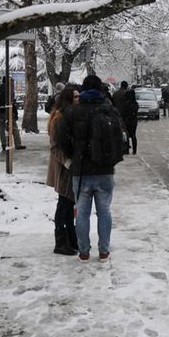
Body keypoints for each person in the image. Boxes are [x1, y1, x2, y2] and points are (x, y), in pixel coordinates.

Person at [57, 74, 124, 262]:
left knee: (82, 213)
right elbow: (121, 137)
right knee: (105, 211)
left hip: (81, 171)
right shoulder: (109, 110)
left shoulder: (72, 112)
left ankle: (84, 252)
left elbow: (61, 137)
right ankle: (104, 251)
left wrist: (74, 154)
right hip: (105, 170)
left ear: (83, 90)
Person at [46, 84, 79, 256]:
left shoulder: (68, 116)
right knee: (64, 204)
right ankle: (61, 241)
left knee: (69, 203)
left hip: (67, 167)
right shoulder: (59, 118)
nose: (78, 99)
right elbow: (54, 146)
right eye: (75, 97)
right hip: (63, 168)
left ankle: (70, 238)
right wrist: (67, 162)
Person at [0, 76, 26, 150]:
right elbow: (12, 102)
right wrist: (15, 112)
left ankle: (3, 144)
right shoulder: (9, 90)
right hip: (7, 110)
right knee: (14, 127)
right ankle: (18, 144)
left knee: (2, 128)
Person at [121, 89, 139, 154]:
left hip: (127, 121)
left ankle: (127, 150)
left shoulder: (126, 103)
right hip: (133, 122)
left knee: (127, 135)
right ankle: (134, 150)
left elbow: (123, 112)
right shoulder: (135, 103)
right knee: (133, 135)